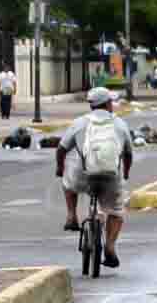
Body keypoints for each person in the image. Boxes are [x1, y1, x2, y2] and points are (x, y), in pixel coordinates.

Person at [56, 86, 135, 269]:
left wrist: (60, 168)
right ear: (108, 104)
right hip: (110, 176)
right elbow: (128, 154)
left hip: (82, 176)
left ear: (91, 105)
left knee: (68, 182)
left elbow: (61, 149)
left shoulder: (79, 123)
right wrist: (126, 173)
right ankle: (110, 247)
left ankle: (71, 216)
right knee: (115, 210)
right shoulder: (120, 124)